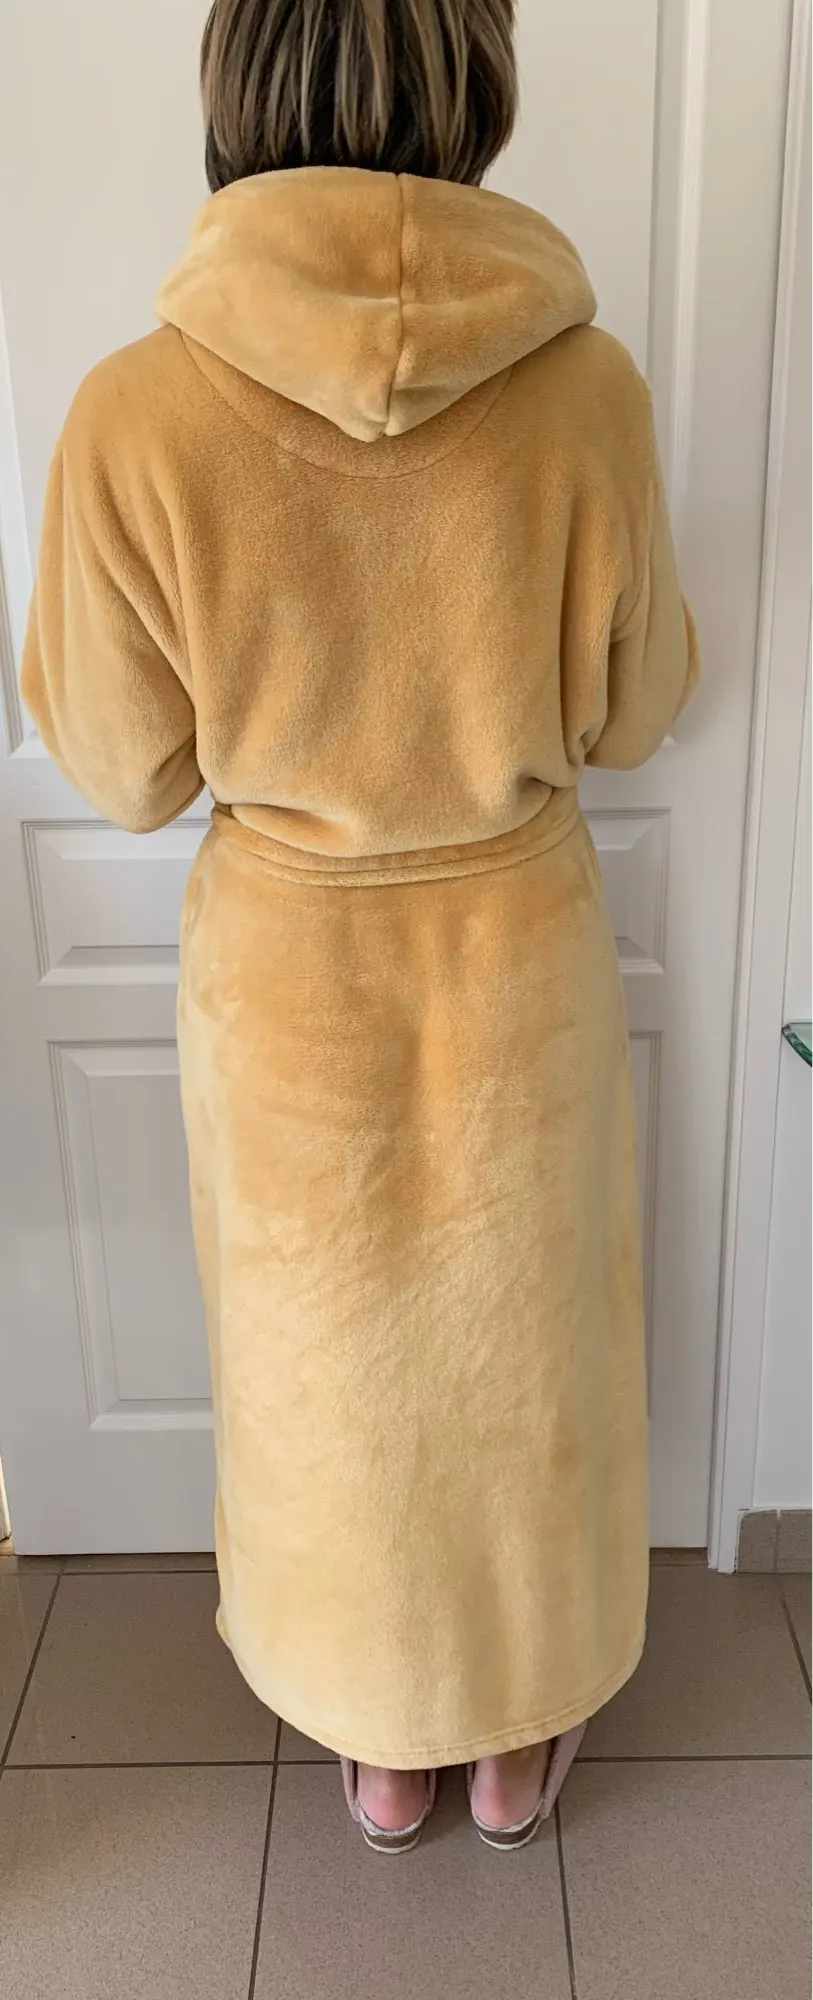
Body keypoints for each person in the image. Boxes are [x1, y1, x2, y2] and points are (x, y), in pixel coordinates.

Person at [22, 0, 698, 1855]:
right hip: (520, 960)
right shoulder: (593, 392)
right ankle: (512, 1746)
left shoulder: (135, 411)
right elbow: (640, 713)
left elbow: (126, 771)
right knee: (525, 1365)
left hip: (286, 985)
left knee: (330, 1380)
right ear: (477, 83)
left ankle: (384, 1751)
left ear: (234, 86)